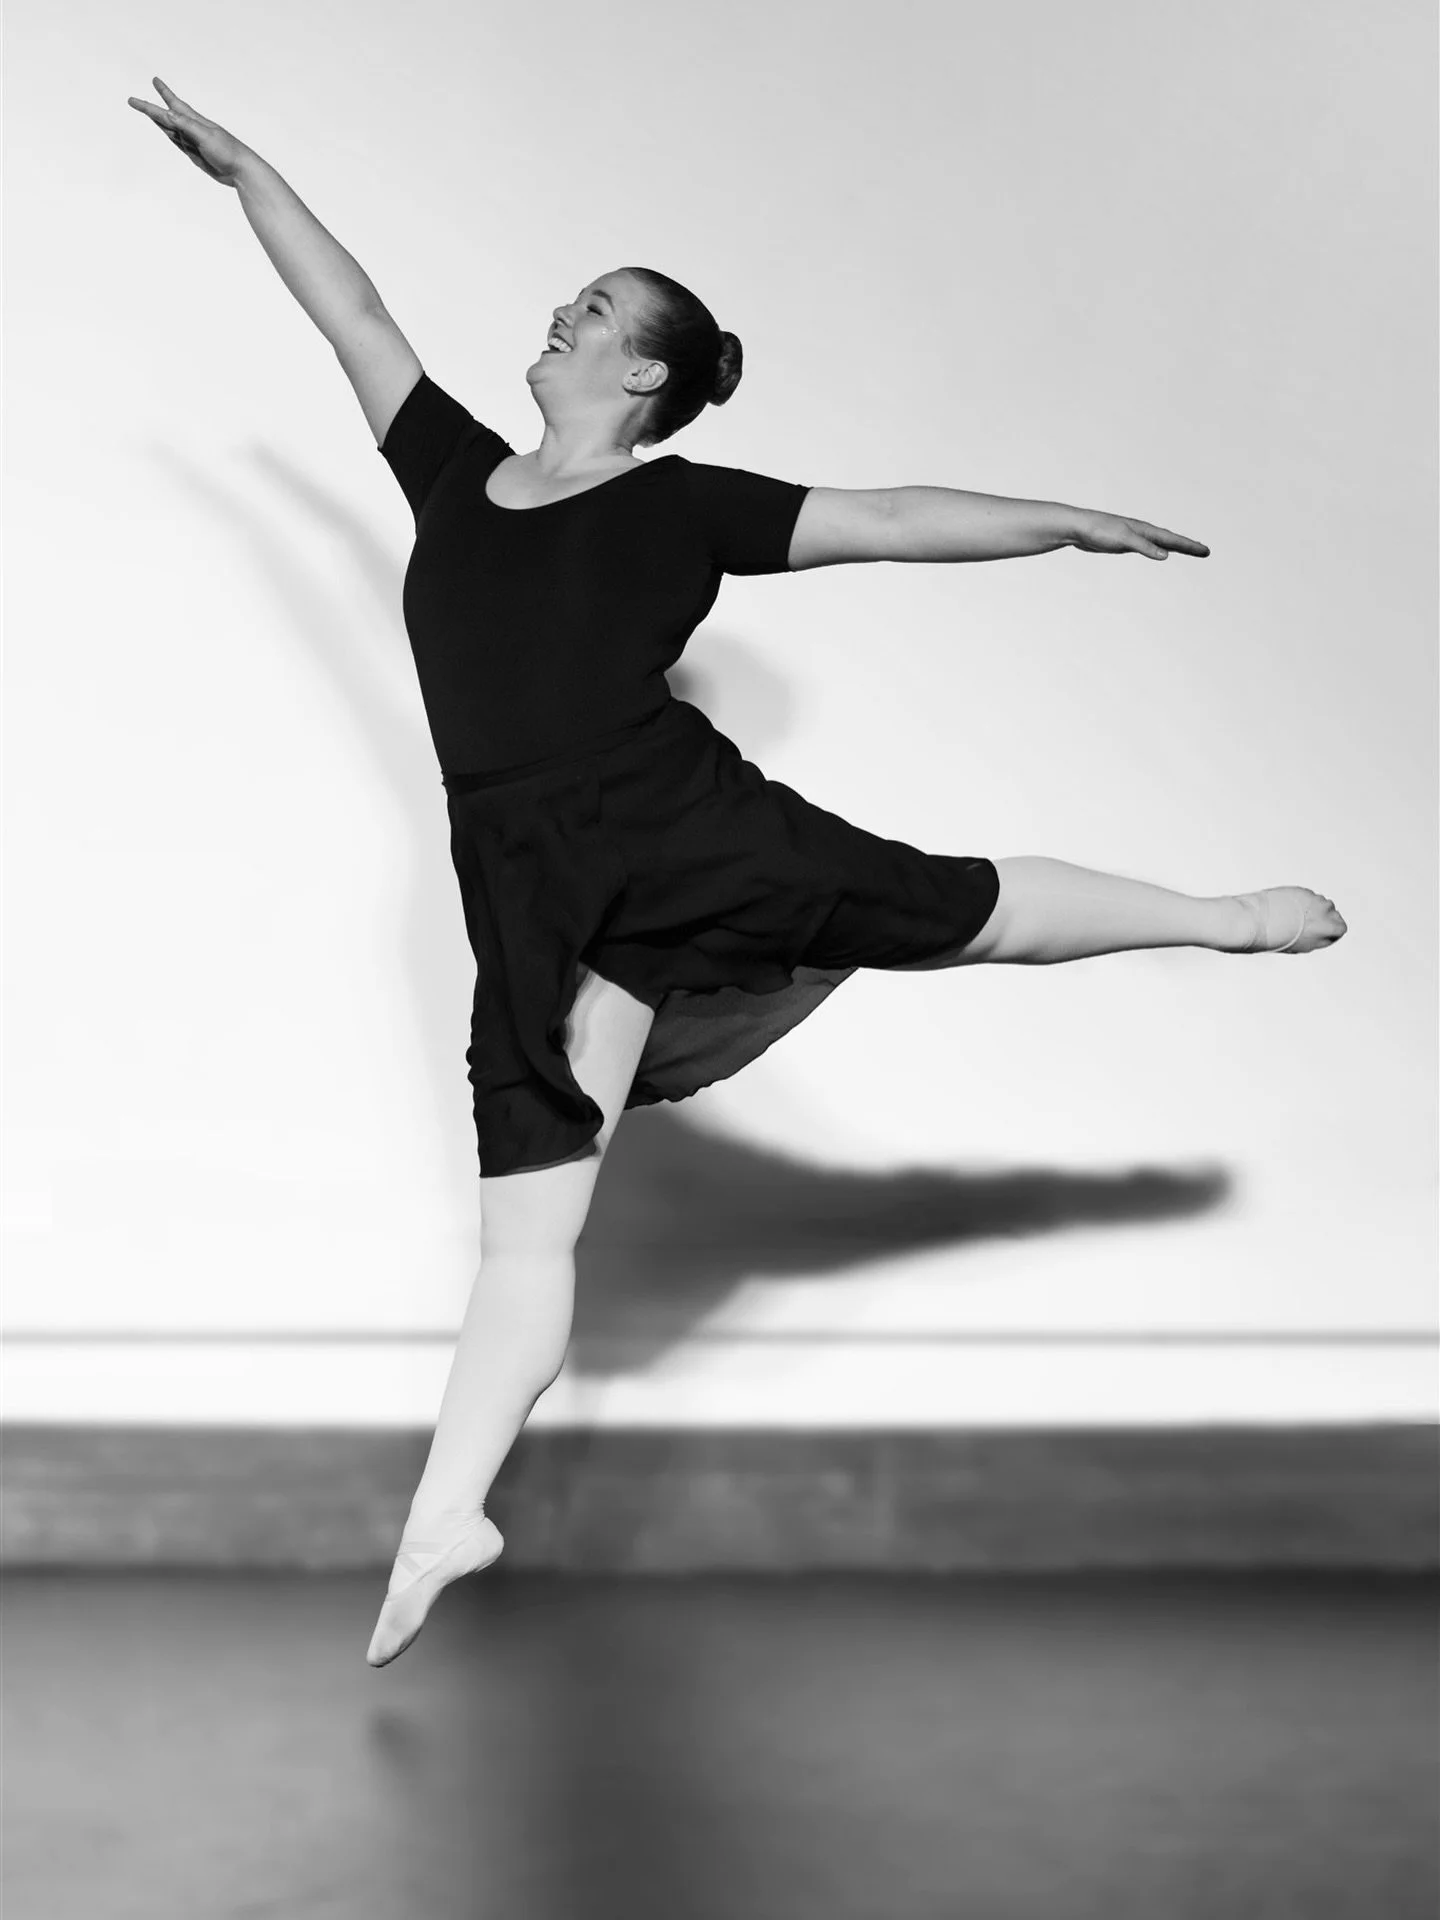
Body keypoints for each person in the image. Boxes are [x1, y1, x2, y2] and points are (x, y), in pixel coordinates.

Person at [128, 80, 1348, 1667]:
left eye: (594, 310)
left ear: (642, 373)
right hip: (530, 877)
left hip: (667, 820)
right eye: (568, 298)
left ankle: (1227, 920)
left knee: (944, 910)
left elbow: (897, 518)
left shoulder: (687, 506)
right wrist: (245, 173)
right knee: (523, 1230)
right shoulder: (450, 470)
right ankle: (447, 1517)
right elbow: (349, 309)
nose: (560, 313)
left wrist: (1064, 520)